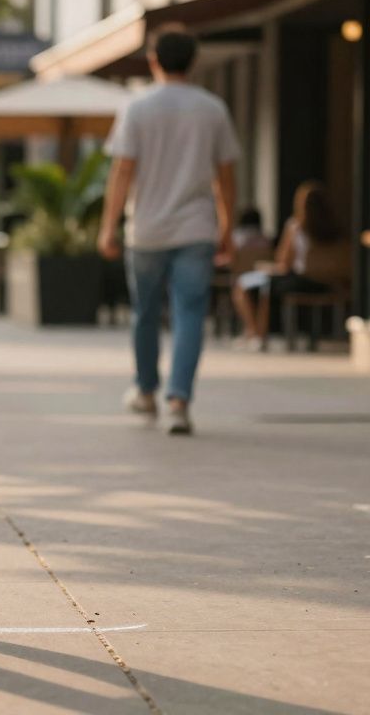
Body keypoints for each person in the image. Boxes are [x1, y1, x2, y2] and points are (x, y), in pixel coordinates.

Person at [98, 24, 239, 436]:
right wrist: (227, 224)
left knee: (144, 313)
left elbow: (122, 170)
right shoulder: (212, 109)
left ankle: (145, 391)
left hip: (146, 230)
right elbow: (225, 176)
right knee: (190, 313)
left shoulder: (136, 107)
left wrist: (108, 226)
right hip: (197, 228)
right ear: (193, 61)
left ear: (154, 59)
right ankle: (178, 401)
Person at [231, 181, 350, 350]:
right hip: (331, 283)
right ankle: (256, 333)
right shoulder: (337, 229)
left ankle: (256, 333)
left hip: (302, 280)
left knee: (251, 284)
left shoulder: (295, 227)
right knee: (265, 285)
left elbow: (283, 262)